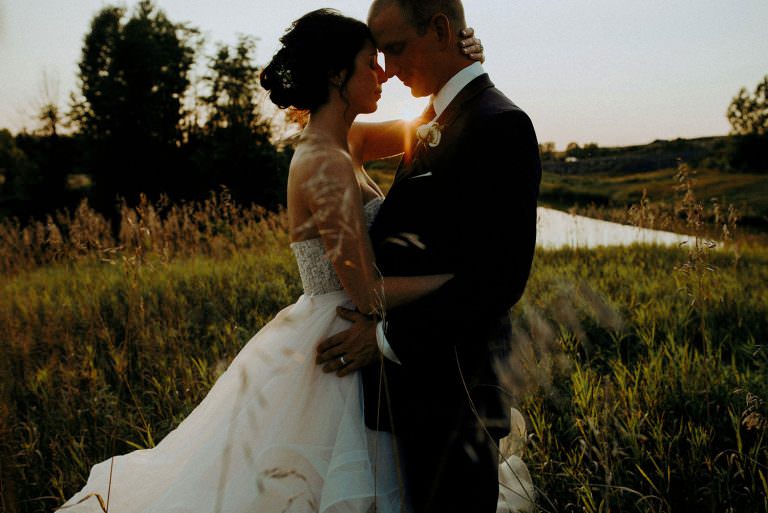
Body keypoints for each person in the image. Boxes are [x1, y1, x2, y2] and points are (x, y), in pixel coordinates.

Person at [56, 8, 488, 513]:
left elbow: (439, 127)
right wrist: (457, 279)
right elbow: (366, 291)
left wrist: (462, 65)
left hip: (342, 326)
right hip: (338, 342)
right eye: (371, 63)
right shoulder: (323, 161)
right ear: (335, 75)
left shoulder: (348, 141)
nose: (384, 73)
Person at [315, 1, 542, 512]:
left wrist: (385, 337)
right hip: (402, 394)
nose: (388, 71)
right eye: (377, 57)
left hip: (455, 395)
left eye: (394, 49)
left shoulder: (501, 124)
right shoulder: (434, 118)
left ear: (440, 29)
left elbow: (501, 278)